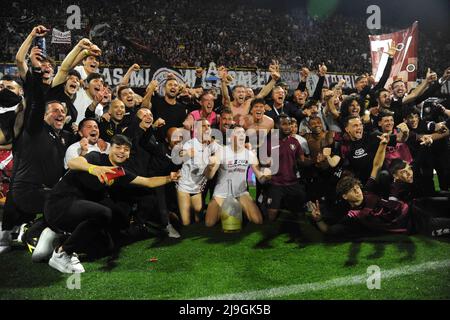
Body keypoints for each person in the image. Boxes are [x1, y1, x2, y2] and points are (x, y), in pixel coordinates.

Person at [44, 134, 180, 273]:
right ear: (110, 149)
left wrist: (169, 178)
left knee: (105, 247)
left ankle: (59, 238)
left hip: (78, 211)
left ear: (128, 155)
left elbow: (147, 182)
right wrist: (94, 169)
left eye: (126, 149)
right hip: (59, 203)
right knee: (104, 213)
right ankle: (62, 253)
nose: (122, 151)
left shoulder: (120, 173)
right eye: (118, 147)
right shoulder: (96, 157)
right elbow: (73, 163)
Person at [310, 133, 450, 239]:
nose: (357, 190)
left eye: (357, 187)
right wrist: (319, 220)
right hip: (413, 224)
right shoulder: (353, 216)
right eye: (352, 190)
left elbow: (376, 166)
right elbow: (330, 231)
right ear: (345, 195)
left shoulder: (367, 191)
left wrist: (383, 144)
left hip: (415, 206)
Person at [204, 125, 270, 227]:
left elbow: (260, 179)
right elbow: (209, 176)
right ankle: (232, 209)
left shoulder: (250, 154)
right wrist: (209, 167)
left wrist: (266, 176)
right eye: (238, 133)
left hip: (241, 193)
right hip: (221, 194)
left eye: (243, 133)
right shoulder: (221, 152)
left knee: (257, 220)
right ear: (231, 137)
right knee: (209, 223)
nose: (242, 135)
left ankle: (236, 208)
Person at [264, 114, 312, 221]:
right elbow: (262, 162)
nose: (288, 127)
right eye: (284, 124)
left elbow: (302, 160)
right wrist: (266, 164)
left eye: (289, 124)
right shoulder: (268, 141)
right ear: (277, 125)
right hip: (275, 183)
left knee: (301, 216)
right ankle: (265, 201)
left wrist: (315, 161)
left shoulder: (294, 142)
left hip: (292, 183)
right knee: (271, 217)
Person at [176, 119, 219, 225]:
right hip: (184, 187)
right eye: (203, 126)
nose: (207, 128)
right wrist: (185, 154)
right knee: (186, 223)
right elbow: (182, 157)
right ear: (196, 130)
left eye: (208, 126)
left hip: (197, 187)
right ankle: (173, 214)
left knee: (198, 218)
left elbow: (225, 150)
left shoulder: (211, 145)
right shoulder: (190, 144)